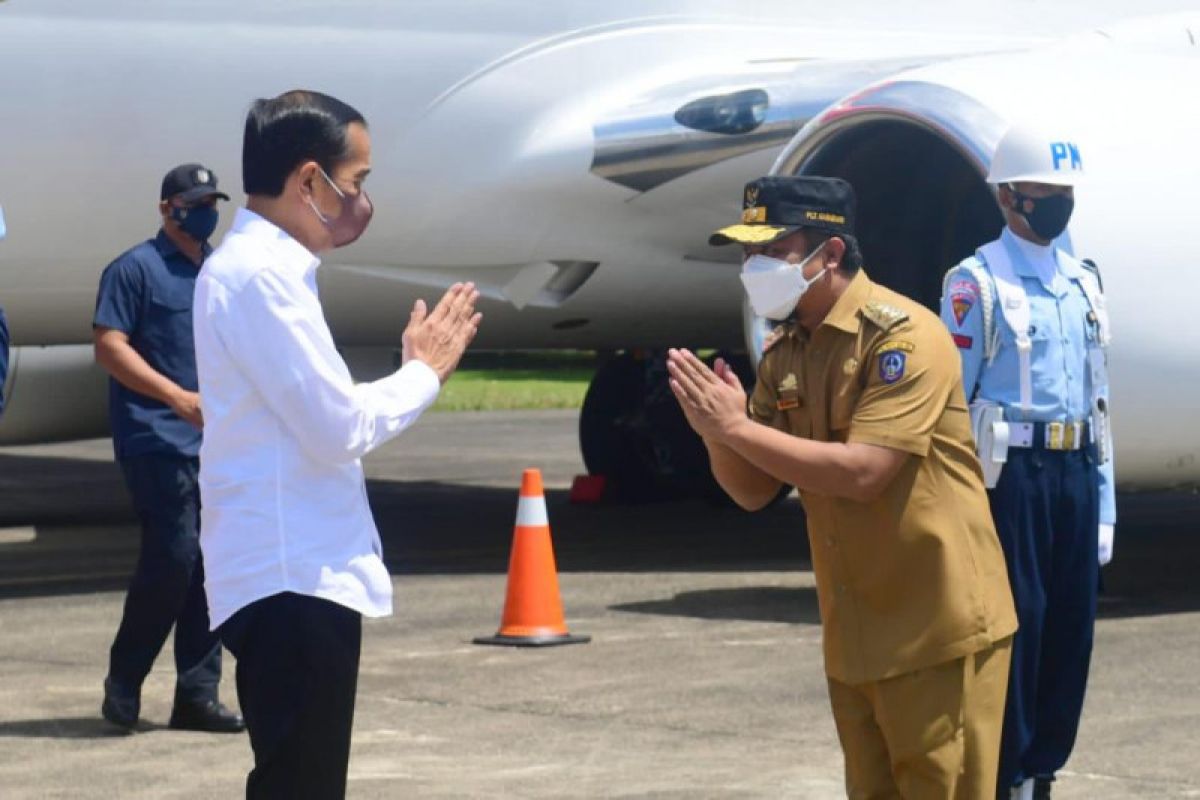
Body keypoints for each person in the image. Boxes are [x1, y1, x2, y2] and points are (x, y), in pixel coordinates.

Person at [669, 176, 1017, 799]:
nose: (755, 267)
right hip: (857, 633)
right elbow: (753, 490)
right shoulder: (785, 352)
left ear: (829, 254)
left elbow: (864, 473)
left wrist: (735, 426)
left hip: (936, 627)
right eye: (748, 253)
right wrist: (715, 432)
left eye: (772, 250)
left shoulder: (904, 336)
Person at [194, 89, 481, 799]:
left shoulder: (262, 271)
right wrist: (423, 373)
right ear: (308, 181)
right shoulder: (263, 279)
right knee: (302, 784)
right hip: (293, 576)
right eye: (355, 182)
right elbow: (337, 429)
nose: (361, 200)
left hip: (285, 568)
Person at [940, 125, 1114, 800]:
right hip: (1012, 477)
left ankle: (1043, 771)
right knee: (1022, 626)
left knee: (1072, 628)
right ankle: (1005, 774)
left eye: (1066, 190)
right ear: (1010, 196)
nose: (1059, 202)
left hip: (1075, 474)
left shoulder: (1085, 282)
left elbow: (1099, 399)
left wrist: (1106, 505)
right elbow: (952, 404)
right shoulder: (975, 283)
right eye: (1047, 190)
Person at [94, 164, 243, 733]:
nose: (206, 211)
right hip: (156, 437)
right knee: (174, 558)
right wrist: (177, 397)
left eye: (212, 201)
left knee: (212, 569)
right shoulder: (135, 270)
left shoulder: (220, 272)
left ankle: (197, 696)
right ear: (167, 208)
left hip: (218, 442)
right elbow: (110, 346)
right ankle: (125, 680)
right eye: (194, 201)